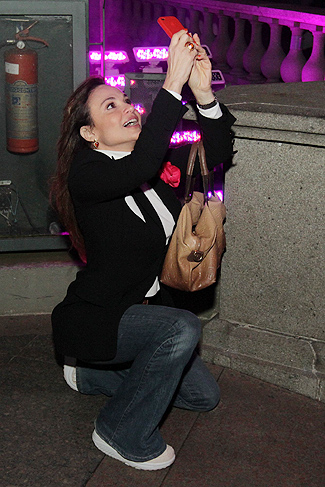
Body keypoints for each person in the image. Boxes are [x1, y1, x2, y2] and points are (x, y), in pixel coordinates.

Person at [50, 30, 236, 470]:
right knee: (182, 328)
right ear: (90, 132)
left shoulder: (156, 170)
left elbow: (220, 151)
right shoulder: (88, 175)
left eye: (126, 101)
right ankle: (119, 430)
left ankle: (94, 374)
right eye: (109, 106)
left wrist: (204, 94)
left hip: (151, 313)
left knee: (203, 397)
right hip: (99, 317)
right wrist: (172, 84)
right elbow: (139, 164)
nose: (127, 108)